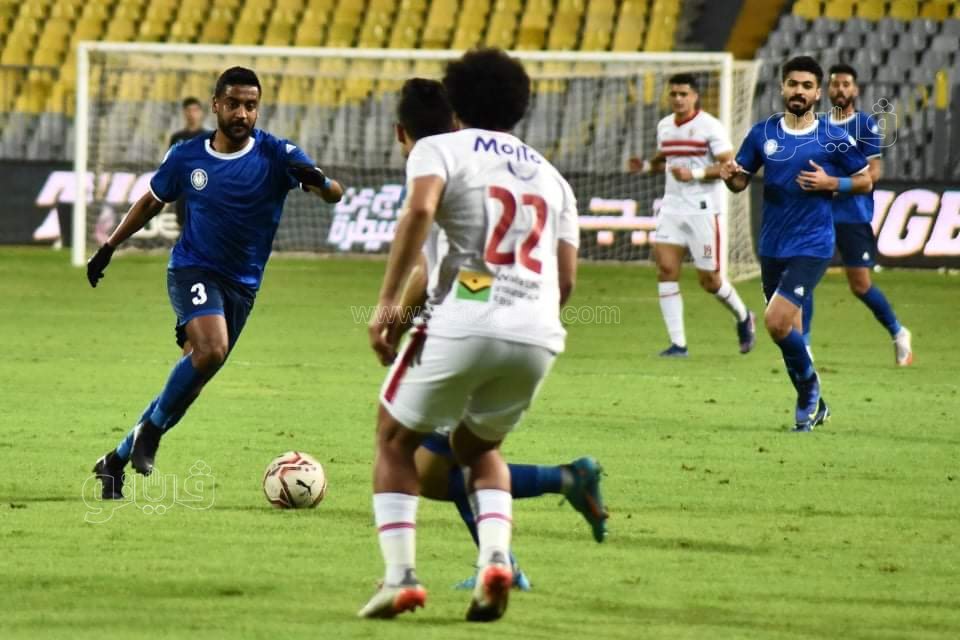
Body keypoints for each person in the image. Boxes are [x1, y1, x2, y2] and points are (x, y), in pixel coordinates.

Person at [359, 49, 581, 622]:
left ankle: (400, 578)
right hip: (539, 331)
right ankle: (496, 561)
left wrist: (387, 304)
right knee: (479, 449)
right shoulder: (553, 178)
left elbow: (419, 212)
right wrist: (522, 314)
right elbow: (566, 280)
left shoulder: (439, 148)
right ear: (520, 106)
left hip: (466, 316)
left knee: (393, 439)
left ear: (455, 102)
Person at [389, 78, 608, 592]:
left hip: (462, 335)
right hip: (528, 331)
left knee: (412, 452)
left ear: (401, 132)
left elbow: (436, 270)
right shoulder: (531, 171)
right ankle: (553, 497)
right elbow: (554, 278)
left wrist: (400, 321)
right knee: (438, 470)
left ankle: (495, 563)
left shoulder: (440, 165)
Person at [88, 67, 343, 498]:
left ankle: (114, 460)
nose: (242, 113)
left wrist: (320, 182)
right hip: (193, 269)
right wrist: (109, 246)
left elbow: (333, 193)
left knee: (192, 381)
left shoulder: (278, 154)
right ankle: (151, 433)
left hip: (243, 286)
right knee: (211, 350)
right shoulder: (187, 156)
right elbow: (151, 201)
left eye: (251, 106)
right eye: (234, 104)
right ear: (216, 105)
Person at [721, 56, 872, 432]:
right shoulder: (763, 133)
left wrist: (831, 183)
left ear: (818, 93)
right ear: (782, 88)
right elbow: (740, 181)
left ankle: (808, 391)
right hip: (772, 245)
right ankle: (816, 406)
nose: (799, 92)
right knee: (792, 334)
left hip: (813, 245)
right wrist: (730, 176)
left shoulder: (832, 137)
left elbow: (865, 180)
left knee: (775, 322)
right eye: (793, 84)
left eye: (807, 86)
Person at [628, 74, 756, 358]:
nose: (677, 99)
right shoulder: (664, 126)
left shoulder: (710, 126)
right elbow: (665, 159)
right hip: (672, 209)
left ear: (695, 96)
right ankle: (678, 344)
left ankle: (744, 315)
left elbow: (730, 167)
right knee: (666, 270)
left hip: (703, 211)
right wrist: (646, 166)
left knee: (710, 281)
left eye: (683, 94)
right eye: (673, 94)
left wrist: (695, 173)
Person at [800, 64, 912, 365]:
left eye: (846, 84)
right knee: (804, 276)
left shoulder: (865, 125)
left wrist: (836, 185)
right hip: (819, 214)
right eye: (835, 84)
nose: (840, 89)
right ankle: (805, 347)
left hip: (852, 214)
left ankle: (898, 332)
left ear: (855, 89)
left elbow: (873, 173)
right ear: (827, 90)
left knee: (860, 285)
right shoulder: (818, 125)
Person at [168, 97, 213, 229]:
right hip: (184, 192)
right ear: (184, 113)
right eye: (189, 110)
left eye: (195, 110)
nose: (192, 114)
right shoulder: (177, 138)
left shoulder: (209, 137)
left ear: (201, 113)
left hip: (204, 191)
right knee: (184, 227)